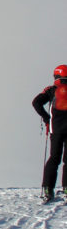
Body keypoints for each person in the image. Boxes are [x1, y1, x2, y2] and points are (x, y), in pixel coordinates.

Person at [32, 65, 67, 202]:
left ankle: (48, 187)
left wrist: (47, 118)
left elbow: (36, 103)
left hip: (56, 129)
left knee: (54, 158)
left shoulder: (52, 90)